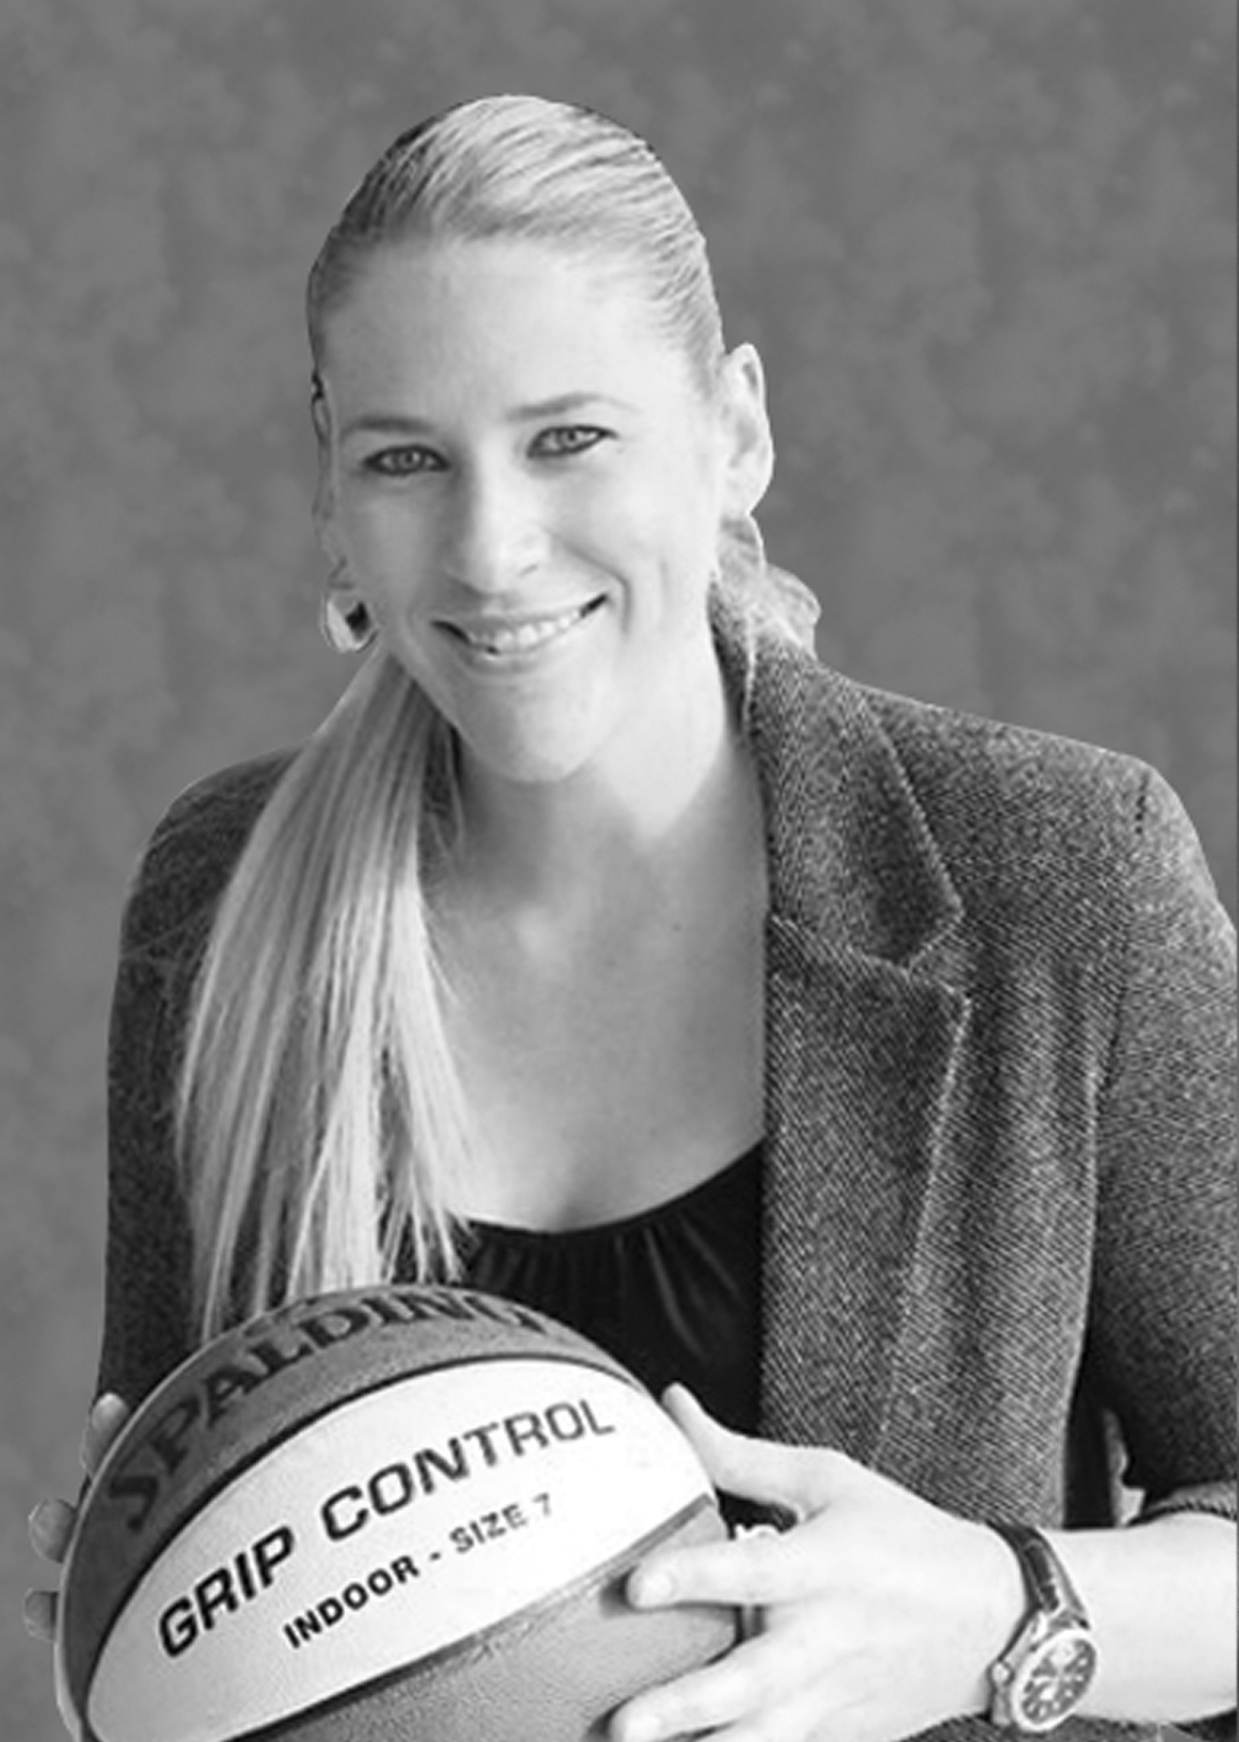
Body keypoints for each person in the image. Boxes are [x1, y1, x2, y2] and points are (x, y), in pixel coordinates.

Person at [26, 94, 1236, 1742]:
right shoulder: (220, 895)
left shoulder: (1053, 870)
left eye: (567, 437)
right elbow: (207, 1541)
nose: (491, 547)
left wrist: (994, 1608)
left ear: (733, 431)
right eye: (406, 459)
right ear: (332, 503)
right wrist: (142, 1590)